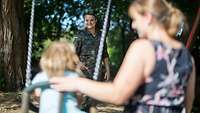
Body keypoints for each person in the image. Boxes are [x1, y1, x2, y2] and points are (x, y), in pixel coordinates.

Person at [50, 0, 196, 113]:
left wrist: (76, 83)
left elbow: (118, 94)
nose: (133, 25)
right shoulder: (187, 56)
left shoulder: (143, 47)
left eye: (135, 19)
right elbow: (188, 105)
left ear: (148, 18)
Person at [32, 40, 86, 113]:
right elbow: (79, 97)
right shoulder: (74, 76)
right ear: (70, 59)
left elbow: (37, 95)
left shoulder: (40, 77)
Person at [74, 11, 111, 81]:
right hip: (83, 73)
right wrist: (79, 63)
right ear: (84, 21)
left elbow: (105, 54)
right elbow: (73, 53)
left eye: (92, 20)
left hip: (98, 73)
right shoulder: (80, 35)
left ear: (95, 21)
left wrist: (108, 71)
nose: (89, 22)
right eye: (86, 20)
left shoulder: (101, 35)